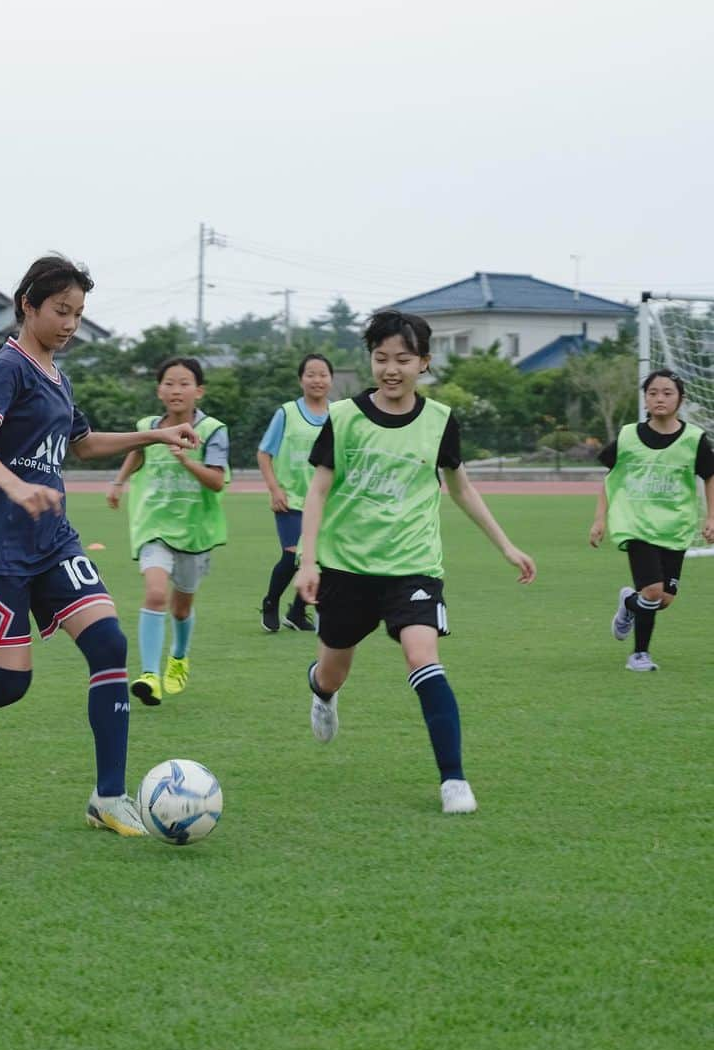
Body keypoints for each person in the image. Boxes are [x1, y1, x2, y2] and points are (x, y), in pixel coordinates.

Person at [0, 255, 199, 837]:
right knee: (9, 683)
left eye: (78, 313)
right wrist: (18, 485)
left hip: (54, 543)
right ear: (28, 305)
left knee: (107, 644)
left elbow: (82, 443)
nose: (70, 323)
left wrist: (155, 432)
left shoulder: (56, 375)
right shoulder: (7, 368)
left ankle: (108, 796)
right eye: (60, 310)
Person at [294, 309, 536, 815]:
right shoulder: (344, 418)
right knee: (334, 672)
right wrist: (308, 559)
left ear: (423, 362)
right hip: (346, 567)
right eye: (381, 358)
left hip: (413, 566)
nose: (391, 368)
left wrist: (507, 545)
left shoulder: (440, 421)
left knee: (422, 656)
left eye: (403, 359)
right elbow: (318, 490)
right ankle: (321, 690)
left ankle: (453, 781)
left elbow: (461, 488)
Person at [107, 357, 229, 706]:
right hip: (154, 526)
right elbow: (137, 452)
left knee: (180, 608)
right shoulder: (148, 426)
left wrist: (186, 461)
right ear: (159, 389)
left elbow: (217, 482)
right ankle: (149, 675)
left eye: (184, 383)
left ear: (199, 391)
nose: (176, 390)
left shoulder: (214, 431)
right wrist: (118, 482)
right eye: (169, 383)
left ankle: (178, 656)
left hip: (195, 532)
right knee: (156, 593)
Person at [590, 369, 714, 671]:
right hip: (636, 524)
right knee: (653, 591)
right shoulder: (628, 436)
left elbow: (710, 476)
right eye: (653, 392)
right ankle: (639, 656)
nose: (660, 398)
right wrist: (599, 520)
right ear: (645, 399)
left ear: (680, 400)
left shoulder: (694, 439)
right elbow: (610, 479)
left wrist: (712, 516)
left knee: (664, 599)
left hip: (675, 526)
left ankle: (628, 603)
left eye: (667, 393)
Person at [256, 353, 333, 631]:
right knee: (292, 555)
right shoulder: (286, 413)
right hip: (291, 499)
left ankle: (297, 612)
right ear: (301, 379)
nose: (317, 380)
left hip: (327, 501)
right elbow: (264, 454)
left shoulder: (339, 415)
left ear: (331, 380)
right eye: (311, 374)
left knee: (320, 558)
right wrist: (275, 489)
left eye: (323, 374)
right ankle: (271, 601)